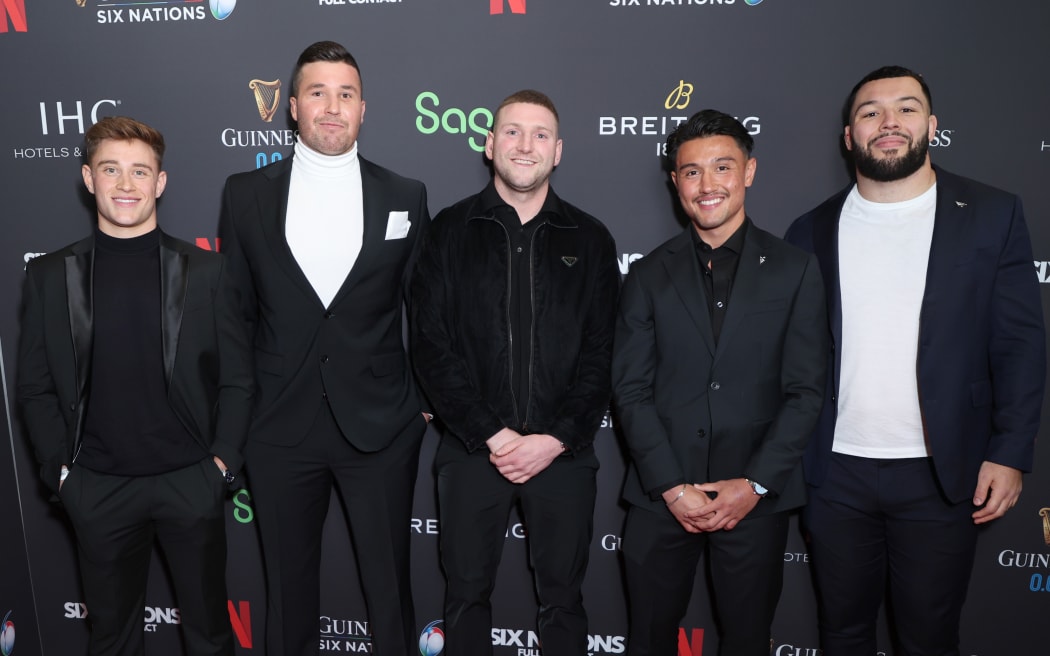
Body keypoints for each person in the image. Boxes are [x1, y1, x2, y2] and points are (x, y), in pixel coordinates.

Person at [784, 65, 1045, 655]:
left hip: (942, 471)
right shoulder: (809, 231)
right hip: (834, 473)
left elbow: (1020, 344)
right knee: (841, 633)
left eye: (905, 108)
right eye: (870, 112)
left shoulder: (990, 213)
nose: (888, 123)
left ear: (930, 125)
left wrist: (1009, 452)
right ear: (849, 136)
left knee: (929, 639)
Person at [217, 41, 431, 655]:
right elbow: (232, 318)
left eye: (344, 94)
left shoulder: (405, 195)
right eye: (317, 93)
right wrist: (242, 421)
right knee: (286, 601)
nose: (331, 107)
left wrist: (420, 406)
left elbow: (426, 311)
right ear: (292, 107)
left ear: (363, 109)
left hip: (383, 427)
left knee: (391, 594)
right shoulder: (244, 194)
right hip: (279, 428)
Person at [16, 116, 253, 656]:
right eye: (111, 170)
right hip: (97, 488)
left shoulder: (208, 273)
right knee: (112, 640)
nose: (126, 185)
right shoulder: (50, 276)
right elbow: (33, 387)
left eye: (139, 171)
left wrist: (220, 465)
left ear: (160, 183)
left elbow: (239, 380)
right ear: (88, 178)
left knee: (210, 637)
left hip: (190, 483)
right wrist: (62, 475)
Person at [410, 89, 620, 656]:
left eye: (540, 134)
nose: (525, 145)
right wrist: (495, 434)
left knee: (563, 602)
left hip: (564, 453)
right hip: (475, 449)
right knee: (465, 598)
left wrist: (552, 439)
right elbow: (430, 346)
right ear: (488, 143)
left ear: (558, 152)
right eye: (512, 131)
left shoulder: (592, 239)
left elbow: (603, 353)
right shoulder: (449, 231)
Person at [612, 109, 828, 656]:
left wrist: (753, 484)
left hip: (753, 501)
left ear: (749, 172)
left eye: (722, 167)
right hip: (661, 498)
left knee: (749, 641)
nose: (707, 185)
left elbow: (806, 391)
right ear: (675, 180)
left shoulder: (795, 269)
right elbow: (630, 389)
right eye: (691, 172)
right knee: (648, 640)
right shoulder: (646, 273)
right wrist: (671, 486)